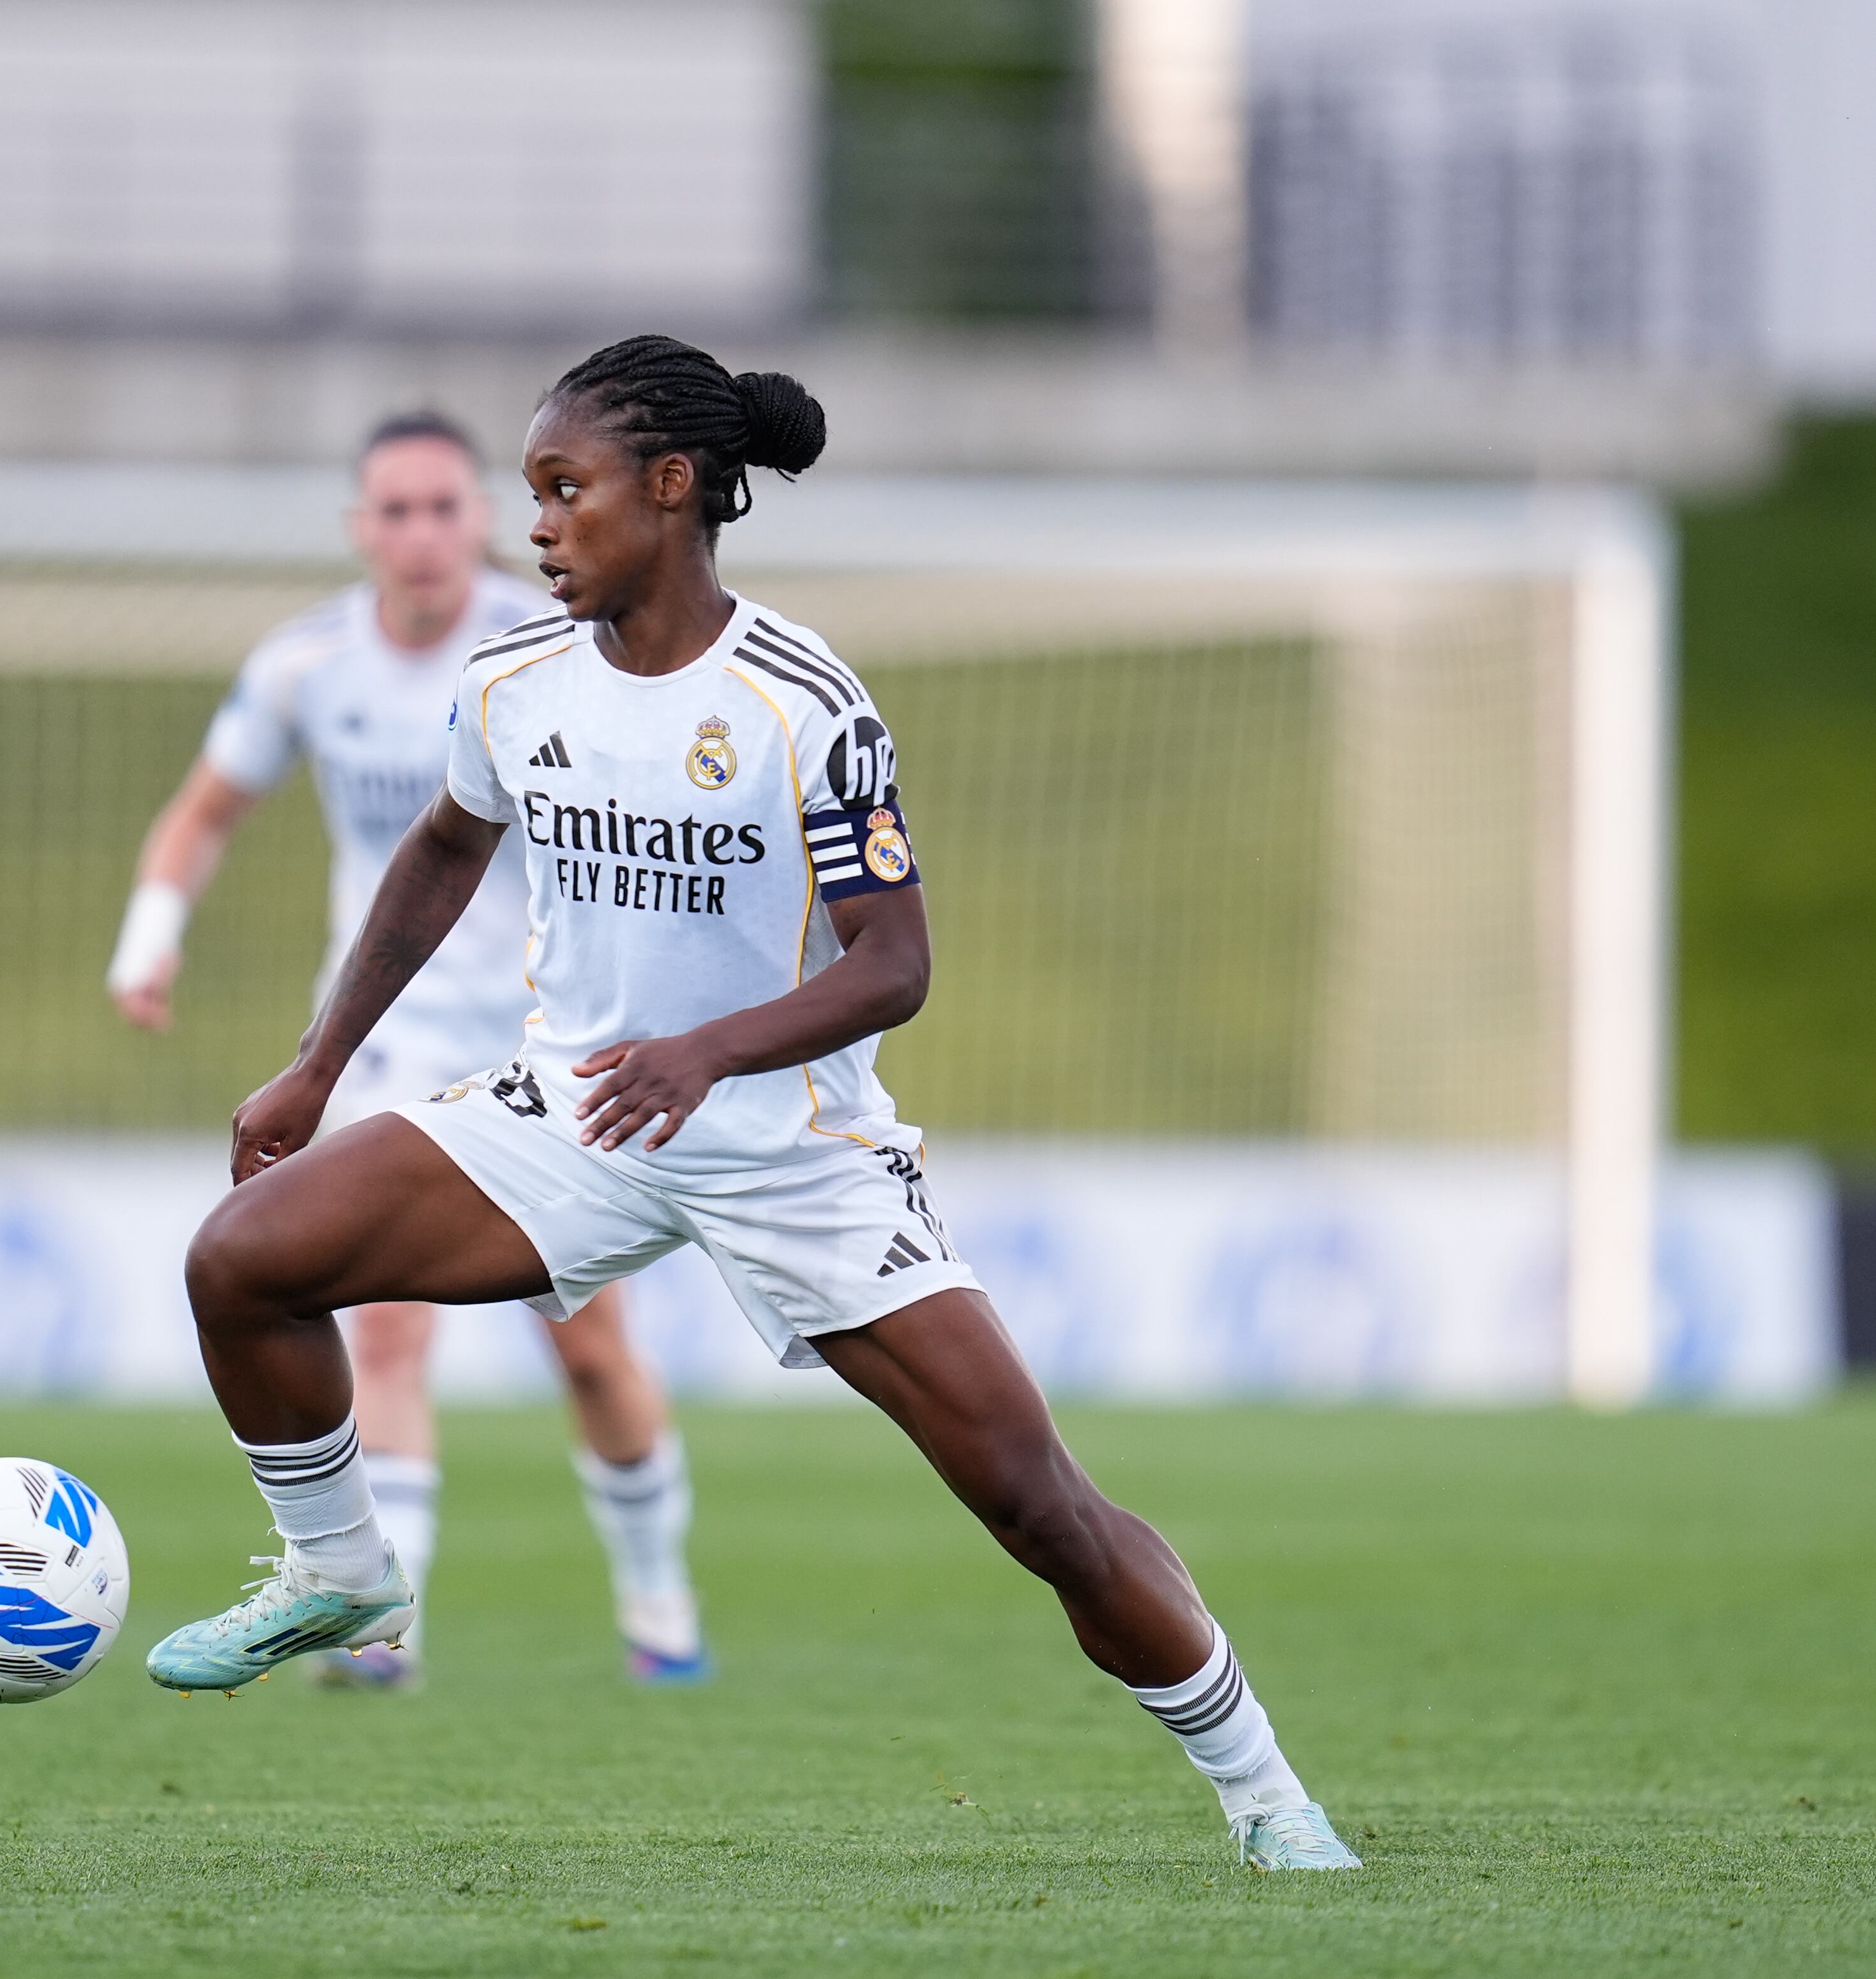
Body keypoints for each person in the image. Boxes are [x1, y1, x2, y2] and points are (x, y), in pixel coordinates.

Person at [140, 336, 1358, 1872]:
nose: (536, 527)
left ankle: (1267, 1799)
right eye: (529, 494)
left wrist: (709, 1052)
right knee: (237, 1257)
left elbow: (895, 964)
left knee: (1035, 1502)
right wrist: (318, 1061)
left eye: (561, 490)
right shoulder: (512, 676)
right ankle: (347, 1573)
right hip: (571, 1113)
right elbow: (444, 852)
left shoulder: (803, 701)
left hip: (793, 1151)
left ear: (667, 492)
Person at [106, 409, 707, 1687]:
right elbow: (203, 809)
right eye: (395, 510)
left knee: (590, 1346)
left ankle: (658, 1602)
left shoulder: (557, 648)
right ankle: (386, 1629)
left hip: (553, 1042)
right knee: (377, 1327)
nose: (421, 535)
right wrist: (149, 935)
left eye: (444, 507)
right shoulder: (304, 665)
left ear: (479, 519)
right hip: (386, 1038)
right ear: (357, 528)